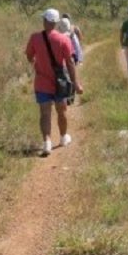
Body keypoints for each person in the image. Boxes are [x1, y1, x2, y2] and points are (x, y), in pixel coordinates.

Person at [26, 8, 84, 156]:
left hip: (41, 83)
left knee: (45, 113)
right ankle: (64, 137)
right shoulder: (63, 39)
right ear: (56, 23)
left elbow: (29, 56)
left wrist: (36, 62)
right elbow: (70, 62)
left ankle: (46, 142)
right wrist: (76, 83)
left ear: (45, 21)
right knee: (61, 111)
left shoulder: (35, 38)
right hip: (60, 83)